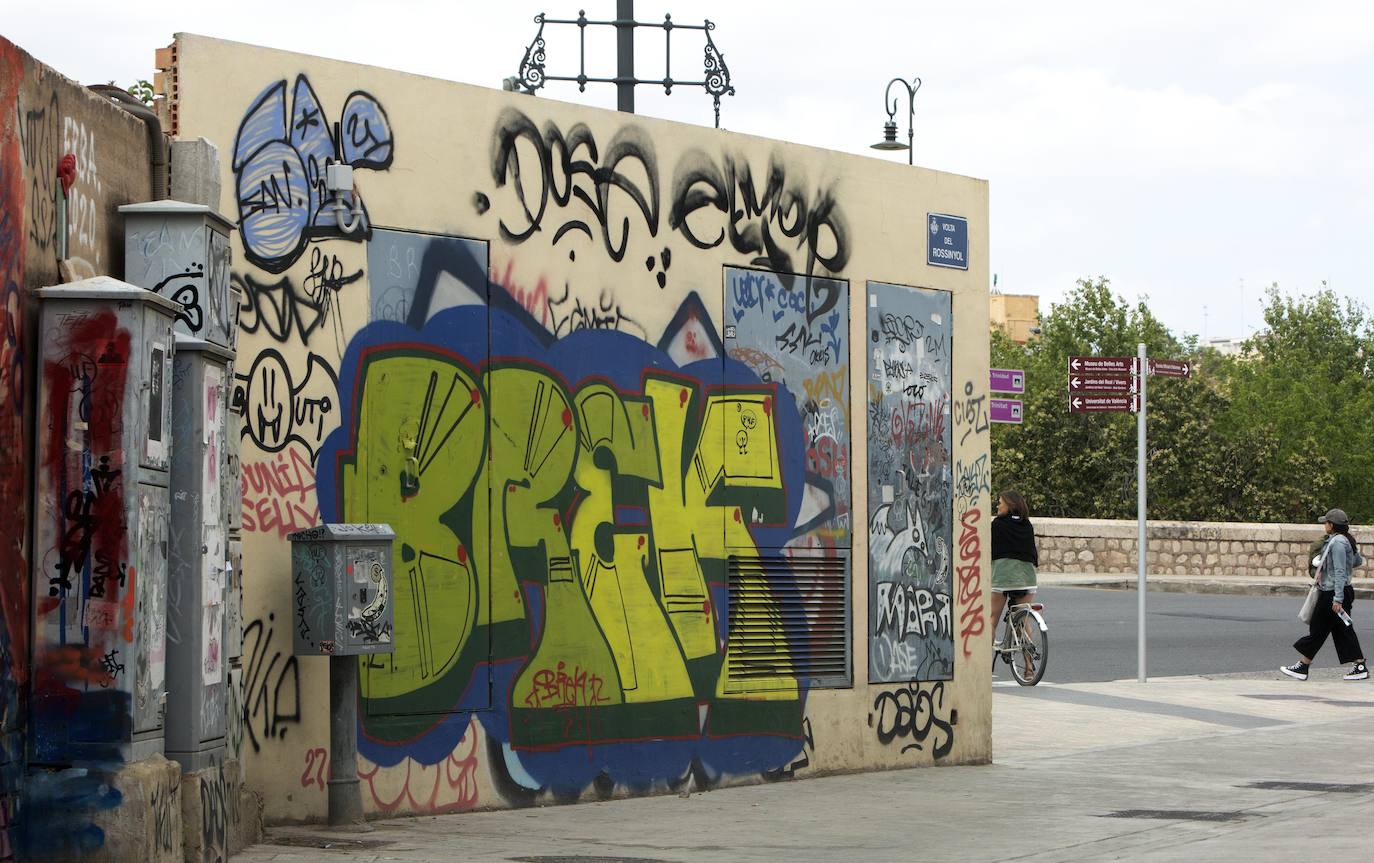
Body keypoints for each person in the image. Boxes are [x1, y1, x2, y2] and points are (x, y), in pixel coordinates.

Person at [1281, 508, 1368, 681]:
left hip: (1333, 592)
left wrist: (1337, 599)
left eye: (1326, 522)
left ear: (1331, 525)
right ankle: (1359, 666)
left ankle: (1303, 666)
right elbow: (1357, 561)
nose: (1324, 525)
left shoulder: (1337, 543)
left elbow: (1339, 571)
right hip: (1342, 590)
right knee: (1343, 629)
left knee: (1318, 628)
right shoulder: (1346, 540)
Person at [990, 489, 1039, 650]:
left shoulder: (998, 524)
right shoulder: (1027, 525)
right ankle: (1029, 668)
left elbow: (989, 550)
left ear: (1009, 505)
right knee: (1024, 622)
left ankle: (983, 664)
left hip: (1003, 577)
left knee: (992, 619)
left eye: (1000, 502)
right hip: (1027, 577)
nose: (998, 505)